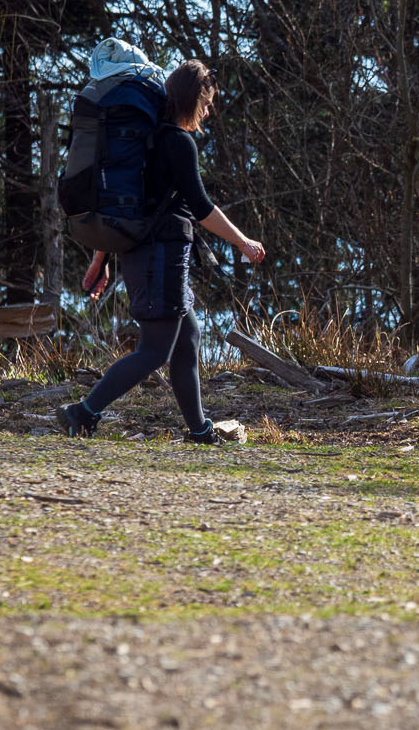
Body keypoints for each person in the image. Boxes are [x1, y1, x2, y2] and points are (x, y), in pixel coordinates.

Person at [58, 59, 265, 444]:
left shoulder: (154, 139)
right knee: (154, 351)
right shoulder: (177, 142)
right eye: (207, 101)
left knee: (188, 339)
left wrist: (100, 259)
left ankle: (200, 430)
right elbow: (201, 207)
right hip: (160, 257)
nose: (210, 109)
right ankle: (82, 413)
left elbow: (136, 205)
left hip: (151, 254)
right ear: (192, 99)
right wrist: (242, 241)